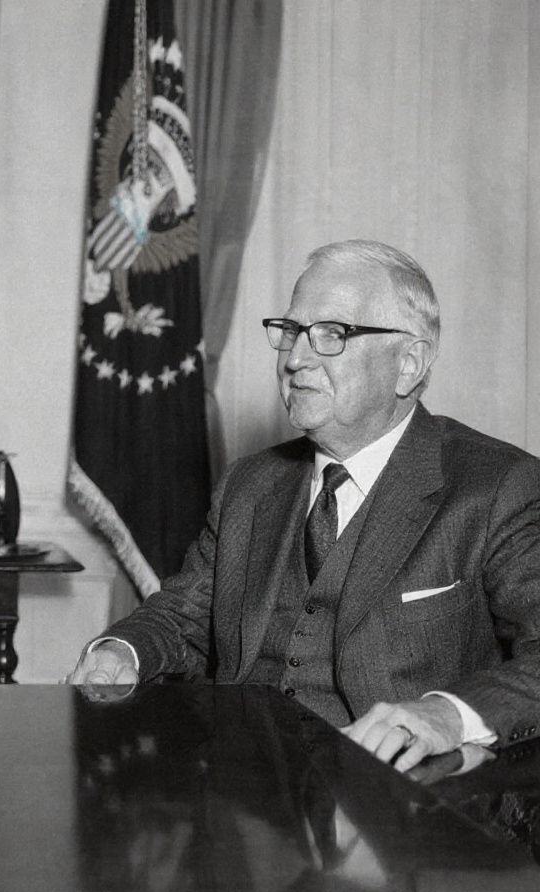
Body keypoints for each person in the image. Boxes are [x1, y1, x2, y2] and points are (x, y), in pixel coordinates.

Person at [68, 239, 540, 772]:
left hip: (402, 812)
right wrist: (121, 651)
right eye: (291, 331)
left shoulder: (498, 487)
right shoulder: (249, 484)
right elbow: (184, 616)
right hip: (242, 796)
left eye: (332, 335)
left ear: (408, 364)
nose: (294, 359)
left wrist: (446, 717)